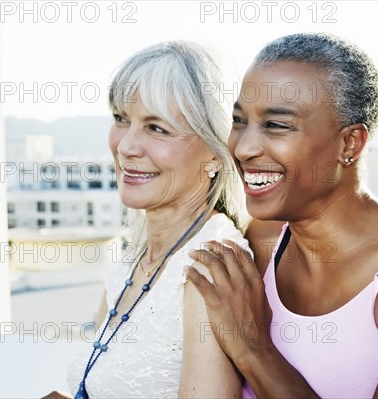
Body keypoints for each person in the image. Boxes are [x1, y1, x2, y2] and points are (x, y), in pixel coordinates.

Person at [185, 32, 378, 398]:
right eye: (240, 121)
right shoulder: (259, 241)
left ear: (349, 144)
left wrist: (252, 346)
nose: (244, 148)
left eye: (276, 125)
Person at [46, 41, 248, 398]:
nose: (126, 147)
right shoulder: (133, 259)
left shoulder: (209, 266)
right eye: (122, 119)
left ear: (216, 154)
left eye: (157, 128)